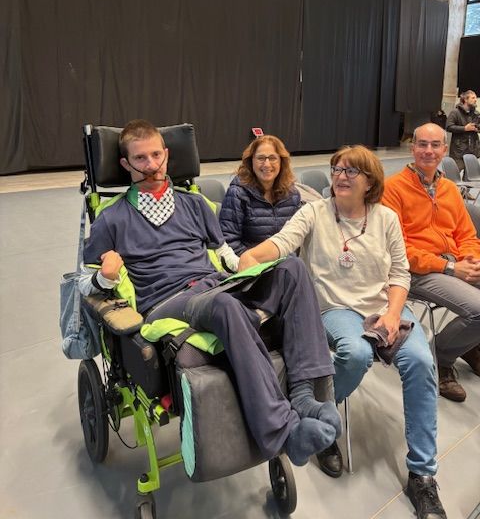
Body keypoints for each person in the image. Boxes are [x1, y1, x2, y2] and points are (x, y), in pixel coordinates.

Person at [79, 120, 341, 468]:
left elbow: (225, 255)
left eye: (156, 155)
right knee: (224, 305)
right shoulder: (111, 218)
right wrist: (106, 278)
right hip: (165, 303)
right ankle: (281, 431)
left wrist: (249, 267)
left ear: (167, 155)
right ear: (126, 164)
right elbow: (85, 284)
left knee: (291, 270)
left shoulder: (195, 204)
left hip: (214, 283)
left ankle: (308, 395)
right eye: (140, 158)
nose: (151, 164)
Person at [238, 145, 447, 519]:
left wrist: (393, 314)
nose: (340, 176)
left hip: (385, 306)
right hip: (335, 308)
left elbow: (400, 274)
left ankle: (423, 474)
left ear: (370, 182)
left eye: (351, 171)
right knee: (356, 352)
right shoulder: (314, 212)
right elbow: (282, 244)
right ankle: (322, 419)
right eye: (336, 169)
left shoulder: (386, 218)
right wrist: (251, 257)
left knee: (420, 361)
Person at [383, 122, 480, 403]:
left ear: (444, 150)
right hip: (415, 272)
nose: (428, 150)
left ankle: (468, 344)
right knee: (478, 310)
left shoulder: (449, 188)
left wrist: (471, 260)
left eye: (435, 145)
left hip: (453, 263)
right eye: (422, 144)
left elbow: (466, 234)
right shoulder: (393, 188)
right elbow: (398, 249)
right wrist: (449, 267)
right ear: (412, 148)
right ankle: (441, 357)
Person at [219, 135, 302, 254]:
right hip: (251, 261)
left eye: (272, 158)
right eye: (261, 158)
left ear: (281, 162)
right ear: (251, 161)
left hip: (287, 259)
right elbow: (229, 241)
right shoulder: (237, 194)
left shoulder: (292, 194)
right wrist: (258, 259)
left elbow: (297, 238)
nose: (267, 164)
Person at [445, 90, 480, 172]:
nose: (475, 100)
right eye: (473, 98)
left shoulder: (476, 113)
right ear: (465, 99)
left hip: (473, 150)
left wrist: (477, 128)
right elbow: (448, 126)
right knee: (453, 173)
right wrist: (464, 128)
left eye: (475, 98)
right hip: (458, 150)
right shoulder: (455, 112)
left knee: (470, 176)